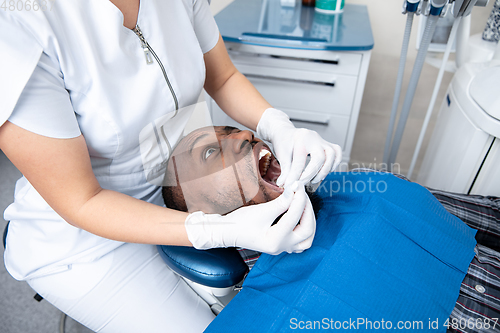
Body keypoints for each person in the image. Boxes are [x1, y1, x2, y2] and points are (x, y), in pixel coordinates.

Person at [0, 1, 342, 332]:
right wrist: (217, 230)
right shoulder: (18, 24)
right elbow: (81, 200)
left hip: (186, 187)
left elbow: (222, 78)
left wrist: (276, 124)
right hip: (86, 236)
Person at [163, 126, 500, 333]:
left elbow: (489, 215)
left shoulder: (367, 185)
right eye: (209, 152)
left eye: (231, 130)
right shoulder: (262, 320)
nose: (243, 136)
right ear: (201, 214)